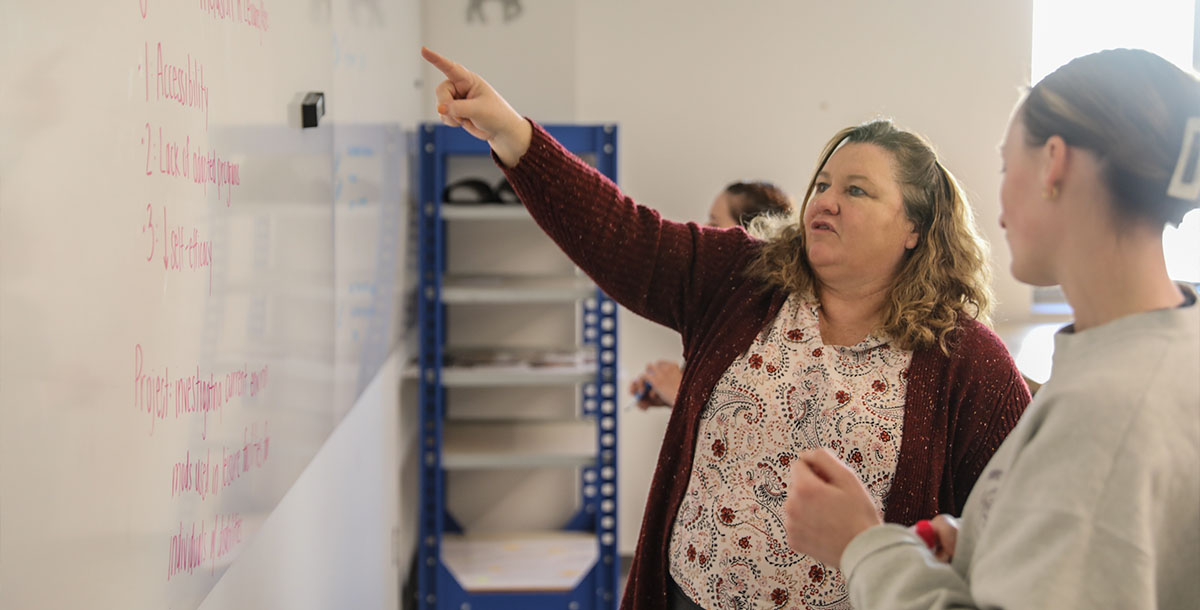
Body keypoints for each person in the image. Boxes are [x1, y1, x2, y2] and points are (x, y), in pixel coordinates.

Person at [420, 47, 1032, 609]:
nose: (825, 200)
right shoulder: (745, 278)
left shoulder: (967, 362)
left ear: (915, 230)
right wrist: (511, 134)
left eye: (856, 190)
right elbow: (623, 234)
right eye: (821, 183)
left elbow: (1012, 537)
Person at [783, 48, 1200, 609]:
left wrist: (862, 545)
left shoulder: (1108, 416)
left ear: (1053, 163)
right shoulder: (1159, 350)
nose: (998, 201)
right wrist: (990, 542)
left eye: (1007, 166)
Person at [631, 181, 794, 409]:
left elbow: (751, 419)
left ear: (748, 239)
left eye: (714, 224)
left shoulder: (772, 328)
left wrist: (681, 392)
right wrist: (675, 399)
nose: (703, 230)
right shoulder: (727, 312)